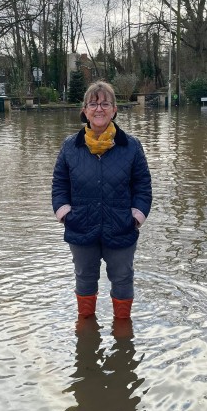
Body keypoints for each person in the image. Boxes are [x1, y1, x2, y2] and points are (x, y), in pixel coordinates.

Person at [51, 81, 152, 321]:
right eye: (93, 104)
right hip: (81, 227)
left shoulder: (132, 146)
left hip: (121, 227)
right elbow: (59, 185)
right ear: (84, 110)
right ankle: (85, 326)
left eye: (105, 103)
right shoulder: (69, 147)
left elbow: (143, 186)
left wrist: (135, 218)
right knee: (84, 278)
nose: (99, 109)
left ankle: (123, 331)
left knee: (123, 279)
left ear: (114, 109)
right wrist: (65, 215)